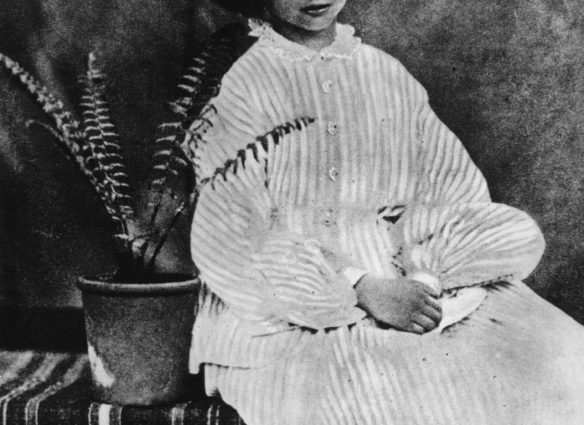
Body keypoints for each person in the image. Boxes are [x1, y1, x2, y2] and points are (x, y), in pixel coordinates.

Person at [188, 1, 584, 424]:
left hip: (410, 276)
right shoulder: (242, 85)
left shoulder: (385, 73)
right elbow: (231, 236)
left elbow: (449, 190)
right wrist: (360, 287)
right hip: (285, 301)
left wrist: (425, 277)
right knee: (389, 399)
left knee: (554, 358)